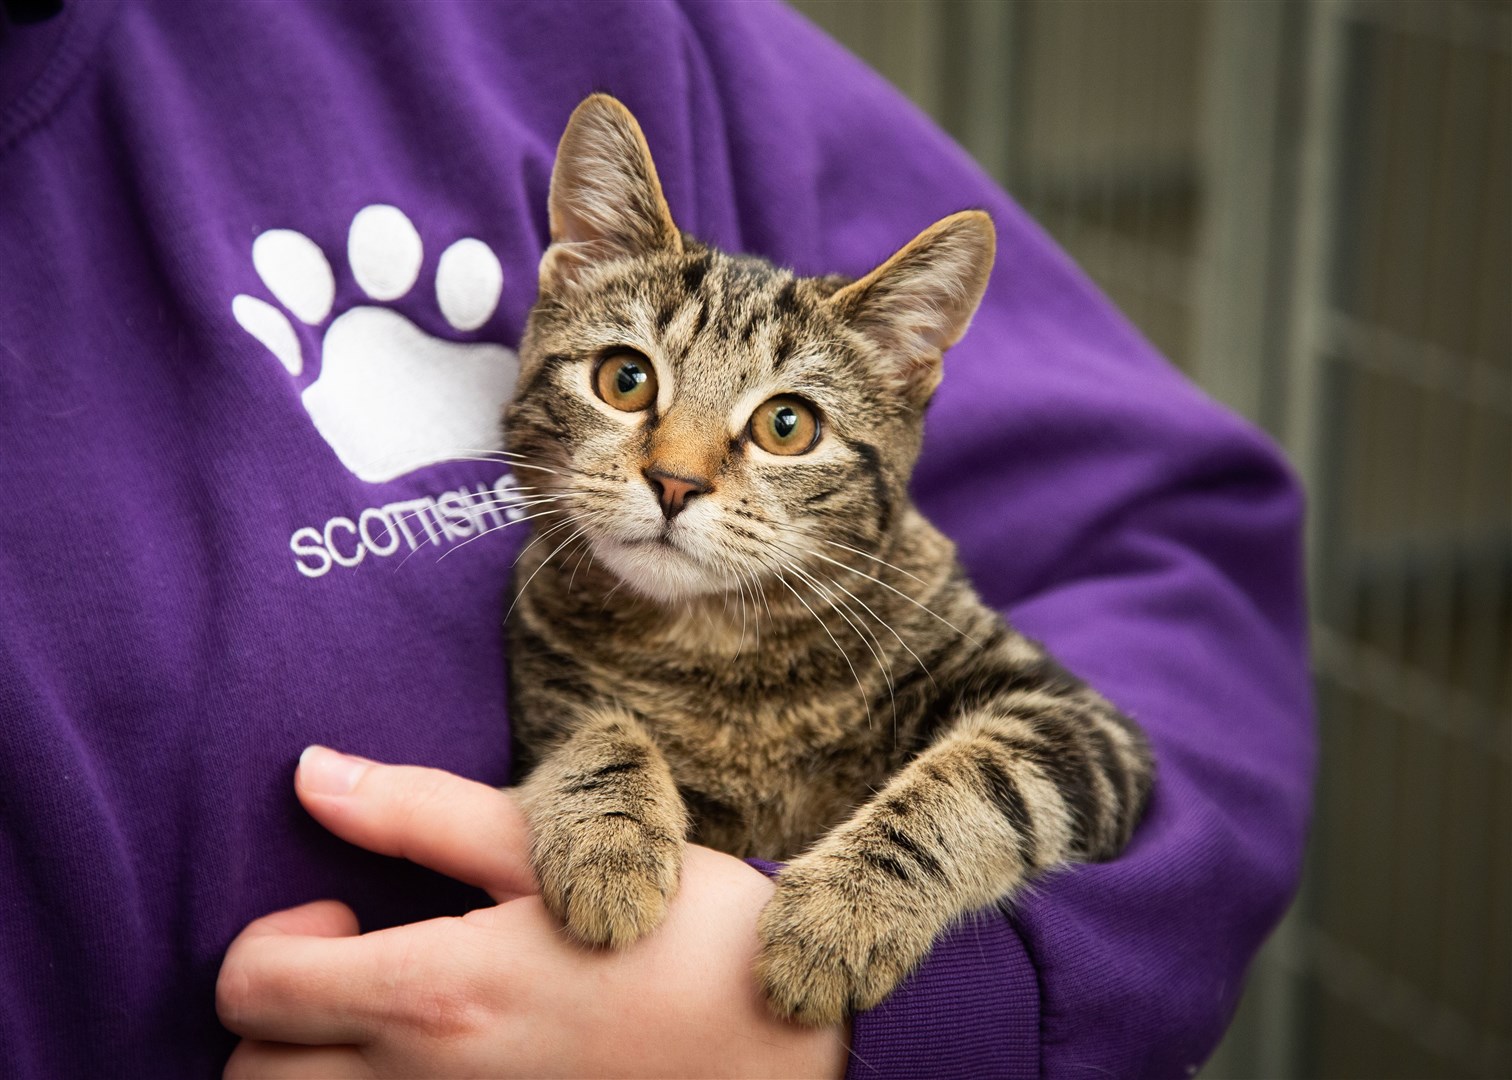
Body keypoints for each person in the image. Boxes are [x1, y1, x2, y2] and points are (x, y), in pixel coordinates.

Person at [0, 1, 1313, 1076]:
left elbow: (1100, 736)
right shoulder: (561, 605)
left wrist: (900, 991)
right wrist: (605, 773)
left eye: (783, 423)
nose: (678, 472)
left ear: (908, 380)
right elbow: (577, 728)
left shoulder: (644, 33)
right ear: (562, 285)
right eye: (628, 384)